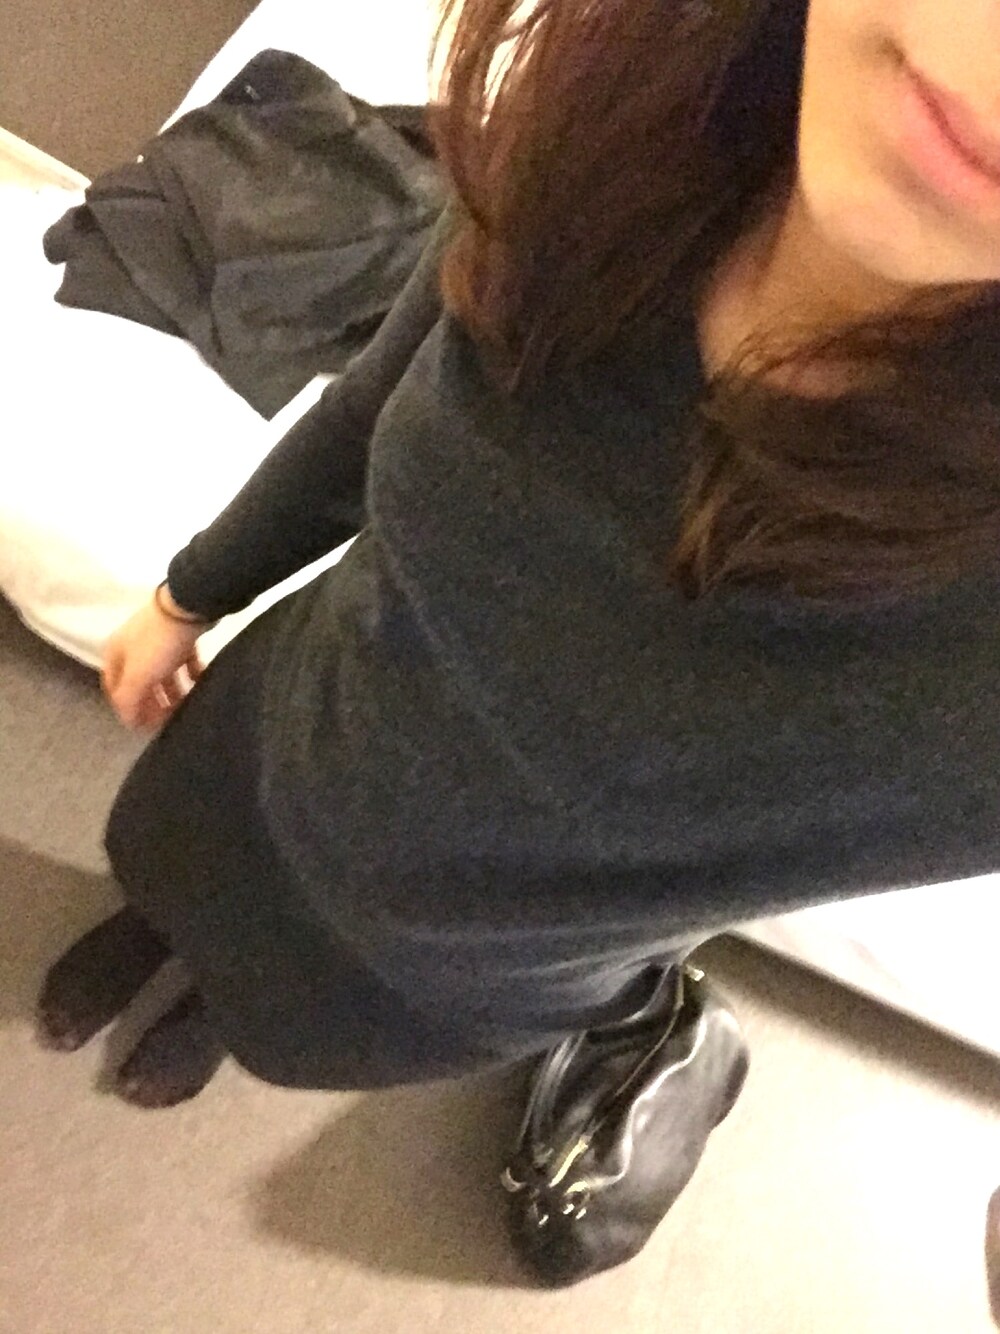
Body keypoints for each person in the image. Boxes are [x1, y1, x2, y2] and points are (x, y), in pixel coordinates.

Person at [39, 0, 1000, 1286]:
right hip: (272, 744)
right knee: (169, 871)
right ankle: (163, 936)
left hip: (443, 972)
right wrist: (190, 590)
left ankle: (219, 1011)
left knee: (277, 1012)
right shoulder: (625, 159)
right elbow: (374, 402)